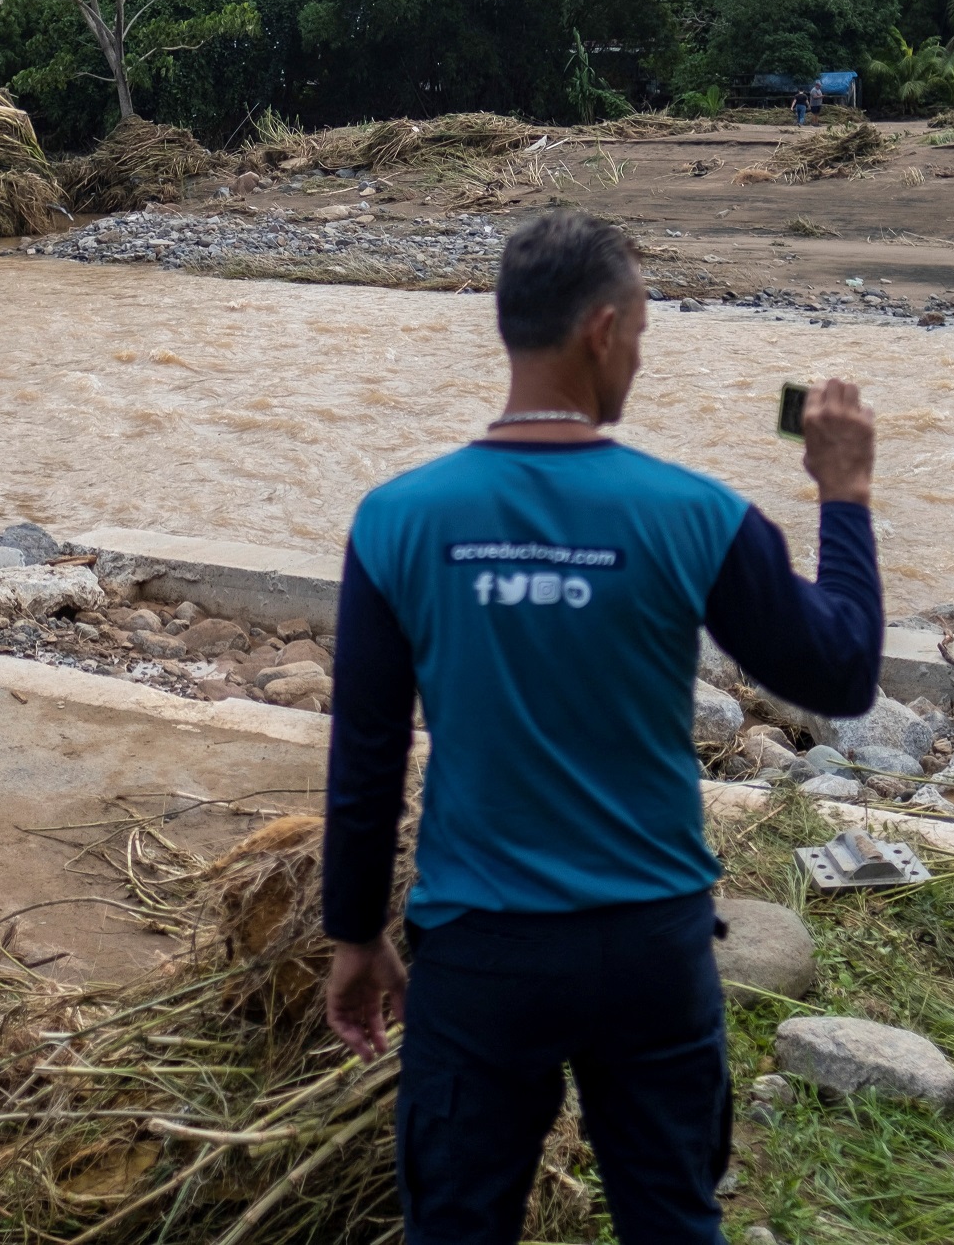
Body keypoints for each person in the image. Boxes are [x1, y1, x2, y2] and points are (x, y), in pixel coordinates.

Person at [320, 208, 885, 1245]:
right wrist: (842, 495)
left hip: (478, 954)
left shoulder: (396, 518)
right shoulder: (695, 515)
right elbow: (842, 672)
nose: (637, 354)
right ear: (599, 330)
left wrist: (353, 935)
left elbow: (363, 754)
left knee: (456, 1223)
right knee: (671, 1218)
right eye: (639, 332)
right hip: (647, 951)